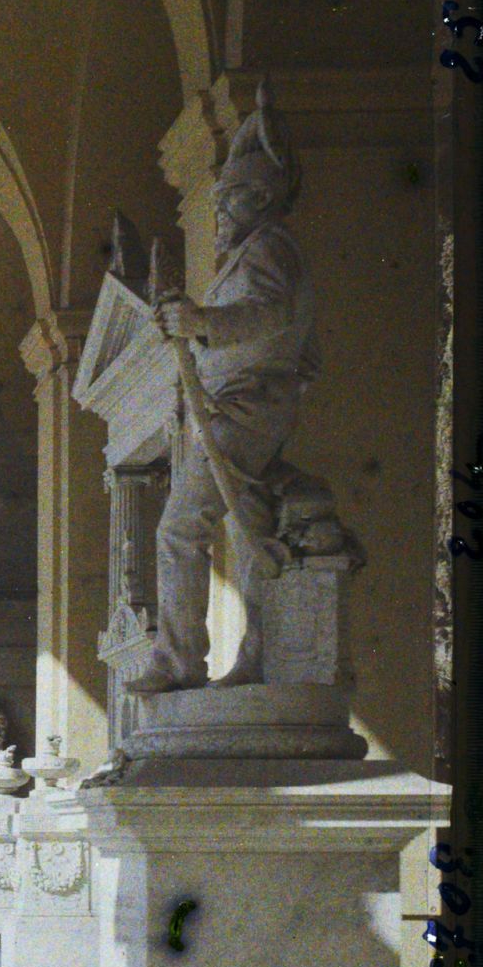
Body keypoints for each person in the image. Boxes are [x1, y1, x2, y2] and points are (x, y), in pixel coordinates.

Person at [129, 80, 318, 694]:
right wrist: (185, 323)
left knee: (180, 527)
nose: (221, 214)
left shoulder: (270, 248)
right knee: (247, 526)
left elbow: (268, 315)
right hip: (231, 405)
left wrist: (202, 323)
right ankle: (259, 657)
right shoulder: (250, 251)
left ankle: (180, 663)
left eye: (230, 200)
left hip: (251, 404)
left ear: (258, 199)